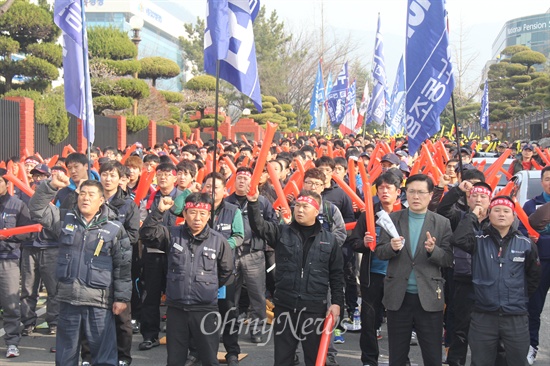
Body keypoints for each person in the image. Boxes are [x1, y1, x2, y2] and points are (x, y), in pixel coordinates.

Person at [29, 175, 132, 366]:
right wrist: (51, 186)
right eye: (82, 193)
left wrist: (121, 298)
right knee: (65, 355)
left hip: (99, 301)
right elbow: (36, 208)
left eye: (91, 195)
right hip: (69, 300)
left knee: (104, 355)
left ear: (101, 200)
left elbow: (123, 266)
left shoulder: (114, 228)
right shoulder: (64, 218)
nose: (85, 198)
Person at [247, 188, 344, 366]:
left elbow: (337, 276)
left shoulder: (330, 241)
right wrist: (253, 203)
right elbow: (259, 226)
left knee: (314, 358)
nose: (299, 210)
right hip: (285, 306)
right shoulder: (282, 232)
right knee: (283, 358)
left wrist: (337, 303)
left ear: (316, 211)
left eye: (305, 206)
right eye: (297, 205)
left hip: (314, 308)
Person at [140, 192, 233, 366]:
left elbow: (226, 271)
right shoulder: (172, 235)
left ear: (209, 215)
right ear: (184, 214)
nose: (197, 218)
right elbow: (146, 234)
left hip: (205, 309)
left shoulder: (218, 241)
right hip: (177, 309)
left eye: (202, 213)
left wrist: (207, 287)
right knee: (175, 360)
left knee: (209, 359)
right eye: (192, 212)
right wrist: (159, 211)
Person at [451, 195, 541, 366]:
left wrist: (517, 296)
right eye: (497, 210)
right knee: (480, 361)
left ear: (513, 216)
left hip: (515, 315)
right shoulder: (478, 240)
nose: (501, 214)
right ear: (489, 214)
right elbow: (458, 239)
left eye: (506, 211)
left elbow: (533, 278)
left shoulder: (526, 244)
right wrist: (473, 216)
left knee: (517, 361)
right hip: (483, 314)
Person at [375, 174, 453, 366]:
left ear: (430, 194)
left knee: (432, 355)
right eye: (411, 192)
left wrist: (432, 251)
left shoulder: (441, 223)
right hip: (398, 297)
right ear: (404, 194)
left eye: (421, 192)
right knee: (397, 355)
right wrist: (391, 247)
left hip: (428, 296)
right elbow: (380, 252)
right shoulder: (392, 219)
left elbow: (448, 259)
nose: (416, 196)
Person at [79, 161, 141, 366]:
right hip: (91, 265)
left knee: (121, 315)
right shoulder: (90, 200)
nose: (108, 178)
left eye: (112, 175)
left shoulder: (128, 205)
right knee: (90, 312)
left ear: (121, 178)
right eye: (104, 174)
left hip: (118, 265)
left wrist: (109, 239)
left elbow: (133, 235)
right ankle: (88, 356)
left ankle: (123, 356)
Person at [348, 171, 405, 366]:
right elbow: (353, 242)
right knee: (369, 321)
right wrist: (363, 243)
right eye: (380, 188)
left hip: (398, 277)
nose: (384, 191)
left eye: (388, 188)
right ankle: (369, 360)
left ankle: (400, 360)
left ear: (398, 191)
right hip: (373, 275)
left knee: (399, 323)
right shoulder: (369, 214)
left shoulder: (405, 214)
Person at [225, 167, 278, 343]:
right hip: (231, 252)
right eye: (238, 178)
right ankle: (229, 329)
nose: (242, 181)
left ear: (252, 182)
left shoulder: (261, 202)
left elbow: (273, 224)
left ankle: (257, 329)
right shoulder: (227, 202)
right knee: (230, 294)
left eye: (246, 178)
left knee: (257, 294)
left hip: (254, 252)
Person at [139, 163, 179, 351]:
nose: (163, 177)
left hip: (175, 254)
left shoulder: (182, 198)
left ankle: (176, 334)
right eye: (160, 174)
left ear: (175, 177)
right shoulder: (149, 198)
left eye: (167, 174)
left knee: (175, 297)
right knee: (150, 297)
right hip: (152, 254)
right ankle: (150, 335)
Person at [0, 168, 34, 358]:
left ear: (7, 183)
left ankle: (12, 342)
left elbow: (27, 232)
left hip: (8, 260)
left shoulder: (17, 205)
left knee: (10, 303)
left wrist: (7, 236)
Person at [521, 165, 550, 365]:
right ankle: (532, 346)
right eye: (547, 178)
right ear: (542, 181)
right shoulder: (531, 205)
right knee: (534, 308)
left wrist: (543, 238)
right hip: (541, 262)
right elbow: (523, 233)